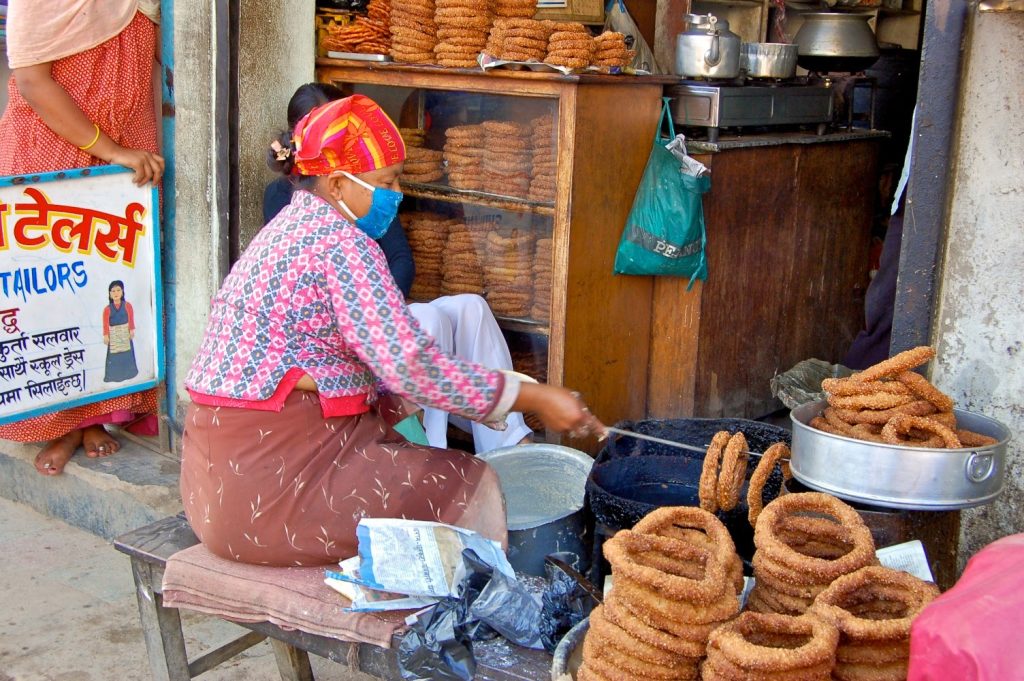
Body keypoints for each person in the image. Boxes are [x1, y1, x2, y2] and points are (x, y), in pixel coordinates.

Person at [182, 94, 603, 567]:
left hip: (213, 491)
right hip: (272, 498)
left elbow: (368, 366)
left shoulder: (289, 227)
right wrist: (535, 398)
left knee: (400, 434)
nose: (397, 192)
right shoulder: (342, 245)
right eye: (386, 181)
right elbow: (412, 369)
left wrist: (479, 398)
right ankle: (461, 613)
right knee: (467, 480)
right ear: (338, 183)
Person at [264, 83, 534, 453]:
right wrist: (381, 318)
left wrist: (386, 306)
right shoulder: (304, 208)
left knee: (471, 306)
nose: (396, 191)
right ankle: (429, 448)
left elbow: (401, 258)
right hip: (336, 337)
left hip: (379, 308)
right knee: (429, 323)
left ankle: (509, 445)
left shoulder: (365, 191)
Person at [0, 0, 165, 476]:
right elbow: (32, 80)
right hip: (52, 150)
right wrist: (110, 149)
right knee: (56, 296)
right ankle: (62, 425)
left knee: (112, 288)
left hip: (124, 153)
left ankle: (99, 416)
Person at [103, 280, 140, 383]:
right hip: (114, 336)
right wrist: (106, 335)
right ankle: (114, 377)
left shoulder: (127, 305)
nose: (116, 293)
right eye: (113, 291)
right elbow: (105, 323)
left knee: (127, 355)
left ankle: (129, 373)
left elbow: (130, 318)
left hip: (125, 335)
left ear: (122, 292)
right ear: (110, 293)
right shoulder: (107, 309)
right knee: (114, 357)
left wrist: (131, 329)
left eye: (118, 290)